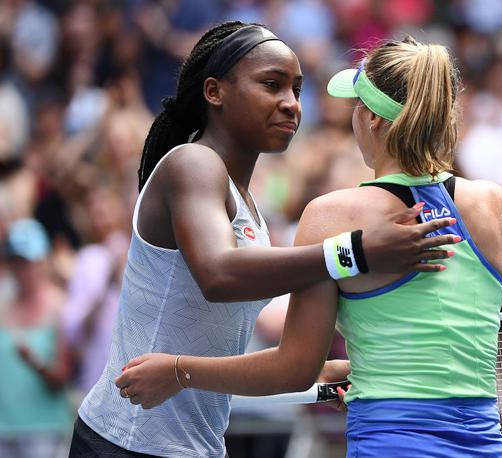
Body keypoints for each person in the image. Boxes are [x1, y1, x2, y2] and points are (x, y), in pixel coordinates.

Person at [116, 36, 502, 457]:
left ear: (373, 119)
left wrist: (179, 371)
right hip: (485, 447)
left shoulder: (332, 216)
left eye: (356, 108)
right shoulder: (493, 203)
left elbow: (293, 369)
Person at [70, 22, 458, 458]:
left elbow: (217, 351)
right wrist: (358, 250)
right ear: (214, 92)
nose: (291, 104)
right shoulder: (193, 163)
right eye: (271, 85)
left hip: (194, 449)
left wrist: (317, 373)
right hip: (124, 443)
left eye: (296, 89)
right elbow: (218, 277)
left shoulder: (249, 208)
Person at [0, 219, 73, 458]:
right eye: (16, 262)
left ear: (42, 261)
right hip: (5, 431)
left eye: (27, 262)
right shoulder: (3, 306)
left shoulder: (59, 306)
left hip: (45, 432)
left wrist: (34, 362)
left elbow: (63, 376)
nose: (23, 271)